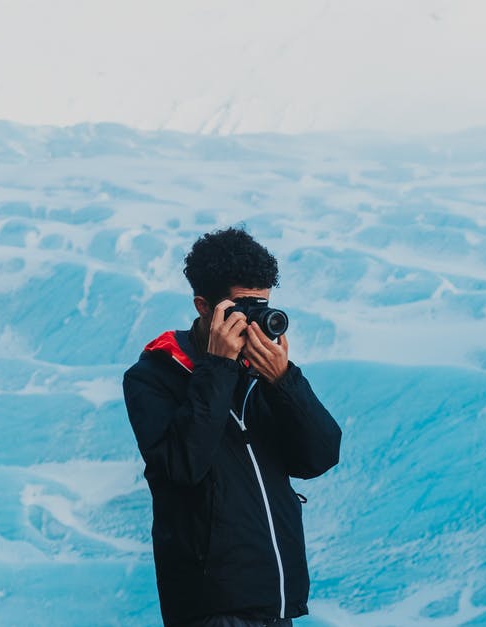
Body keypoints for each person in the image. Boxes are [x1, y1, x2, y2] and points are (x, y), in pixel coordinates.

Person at [123, 227, 342, 626]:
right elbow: (182, 466)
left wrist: (283, 380)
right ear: (204, 306)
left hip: (275, 603)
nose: (254, 322)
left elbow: (321, 457)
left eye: (263, 306)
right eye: (242, 308)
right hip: (211, 607)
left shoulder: (262, 377)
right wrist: (219, 367)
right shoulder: (153, 376)